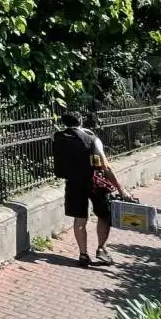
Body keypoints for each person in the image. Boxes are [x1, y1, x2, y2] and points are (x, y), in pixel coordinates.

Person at [53, 112, 125, 267]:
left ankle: (83, 254)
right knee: (104, 215)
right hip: (94, 182)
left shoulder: (58, 137)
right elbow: (105, 165)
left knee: (79, 219)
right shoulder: (91, 138)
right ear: (80, 121)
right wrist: (120, 189)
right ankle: (101, 249)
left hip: (73, 182)